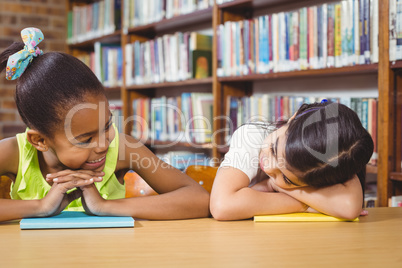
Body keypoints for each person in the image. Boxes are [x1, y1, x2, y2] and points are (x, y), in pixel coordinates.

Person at [0, 28, 209, 222]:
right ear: (40, 141)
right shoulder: (14, 153)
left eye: (107, 125)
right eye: (86, 139)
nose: (103, 144)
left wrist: (105, 206)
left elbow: (199, 200)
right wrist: (40, 207)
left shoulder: (124, 148)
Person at [210, 100, 374, 220]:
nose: (268, 167)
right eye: (274, 148)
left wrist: (271, 185)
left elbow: (349, 207)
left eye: (286, 178)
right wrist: (306, 204)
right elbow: (222, 206)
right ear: (293, 117)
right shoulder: (251, 136)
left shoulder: (330, 161)